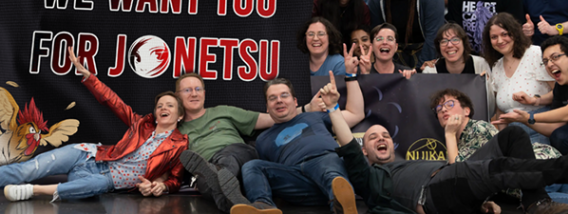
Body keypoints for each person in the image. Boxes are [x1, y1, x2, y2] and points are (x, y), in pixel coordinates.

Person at [320, 74, 568, 214]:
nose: (382, 138)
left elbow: (459, 179)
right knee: (497, 168)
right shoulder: (369, 177)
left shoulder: (411, 163)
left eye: (385, 135)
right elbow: (347, 144)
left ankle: (536, 203)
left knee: (512, 135)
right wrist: (333, 107)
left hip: (456, 185)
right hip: (434, 193)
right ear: (364, 150)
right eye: (373, 137)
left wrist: (479, 201)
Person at [1, 47, 188, 202]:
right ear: (155, 113)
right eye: (159, 106)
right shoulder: (141, 124)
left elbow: (175, 179)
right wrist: (89, 77)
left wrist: (161, 186)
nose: (163, 108)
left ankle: (33, 191)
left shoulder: (179, 144)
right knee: (31, 167)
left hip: (104, 179)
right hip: (88, 155)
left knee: (94, 186)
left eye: (169, 105)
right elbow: (113, 101)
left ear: (180, 115)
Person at [175, 72, 325, 213]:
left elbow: (270, 117)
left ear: (204, 93)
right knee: (205, 183)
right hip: (209, 166)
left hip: (238, 155)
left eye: (198, 89)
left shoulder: (222, 111)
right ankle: (237, 205)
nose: (194, 94)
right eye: (187, 90)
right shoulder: (176, 131)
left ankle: (221, 175)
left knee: (226, 161)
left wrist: (307, 108)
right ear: (177, 96)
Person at [236, 66, 364, 214]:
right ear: (267, 108)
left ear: (295, 101)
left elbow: (356, 114)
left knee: (331, 173)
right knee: (251, 166)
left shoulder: (314, 116)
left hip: (323, 162)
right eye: (272, 98)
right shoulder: (262, 139)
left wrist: (351, 76)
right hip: (297, 180)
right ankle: (263, 206)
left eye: (284, 95)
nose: (279, 101)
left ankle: (341, 203)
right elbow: (272, 175)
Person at [430, 88, 568, 205]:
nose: (443, 110)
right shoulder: (456, 143)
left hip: (540, 170)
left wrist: (449, 134)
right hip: (529, 182)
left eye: (449, 104)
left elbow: (461, 177)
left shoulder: (479, 128)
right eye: (438, 108)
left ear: (466, 111)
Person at [482, 12, 554, 144]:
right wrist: (502, 141)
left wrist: (534, 100)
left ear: (515, 32)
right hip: (512, 135)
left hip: (540, 128)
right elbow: (500, 112)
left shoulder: (535, 54)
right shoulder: (496, 67)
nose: (500, 40)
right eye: (494, 37)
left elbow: (559, 93)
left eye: (504, 34)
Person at [496, 36, 568, 155]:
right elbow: (555, 128)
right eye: (545, 62)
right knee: (558, 136)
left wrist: (531, 117)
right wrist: (525, 120)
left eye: (555, 57)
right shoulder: (561, 87)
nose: (550, 65)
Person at [423, 23, 494, 116]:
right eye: (444, 41)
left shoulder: (480, 64)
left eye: (455, 40)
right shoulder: (430, 71)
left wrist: (487, 85)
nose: (449, 45)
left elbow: (490, 109)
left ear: (464, 43)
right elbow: (427, 109)